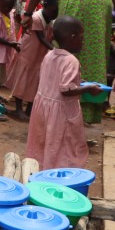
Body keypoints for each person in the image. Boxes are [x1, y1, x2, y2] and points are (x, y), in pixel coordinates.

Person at [26, 16, 106, 169]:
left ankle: (40, 171)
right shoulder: (71, 60)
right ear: (73, 37)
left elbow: (54, 81)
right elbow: (66, 90)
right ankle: (58, 175)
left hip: (43, 109)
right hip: (60, 112)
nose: (83, 41)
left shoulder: (49, 55)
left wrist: (80, 83)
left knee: (43, 142)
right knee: (62, 145)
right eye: (82, 37)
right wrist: (89, 88)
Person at [5, 0, 58, 119]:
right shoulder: (36, 18)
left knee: (35, 83)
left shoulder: (50, 20)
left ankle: (29, 109)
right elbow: (41, 39)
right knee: (22, 81)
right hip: (28, 55)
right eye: (54, 10)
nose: (55, 14)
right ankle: (18, 109)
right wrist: (56, 50)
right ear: (45, 5)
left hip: (38, 57)